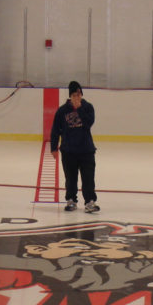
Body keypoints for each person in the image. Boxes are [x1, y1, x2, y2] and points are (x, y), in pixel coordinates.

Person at [50, 81, 99, 213]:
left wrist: (80, 109)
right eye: (74, 95)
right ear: (70, 96)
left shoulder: (88, 107)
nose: (77, 97)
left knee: (88, 178)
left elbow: (89, 123)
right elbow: (55, 130)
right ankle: (71, 200)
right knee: (70, 178)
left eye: (79, 94)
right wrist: (53, 147)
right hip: (69, 151)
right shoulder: (62, 111)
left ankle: (90, 201)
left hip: (86, 151)